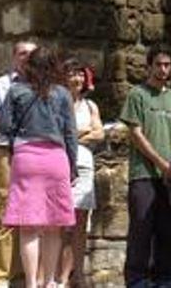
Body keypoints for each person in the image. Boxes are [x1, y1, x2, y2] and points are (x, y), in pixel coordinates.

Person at [0, 45, 79, 288]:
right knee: (54, 225)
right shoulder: (63, 94)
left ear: (30, 65)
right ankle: (51, 281)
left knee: (28, 226)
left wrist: (15, 147)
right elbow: (70, 134)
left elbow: (4, 126)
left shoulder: (16, 91)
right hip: (56, 158)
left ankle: (32, 283)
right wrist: (72, 166)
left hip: (26, 157)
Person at [120, 43, 171, 288]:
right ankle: (136, 278)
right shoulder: (137, 94)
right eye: (158, 64)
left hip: (169, 176)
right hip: (143, 174)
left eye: (167, 65)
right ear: (149, 66)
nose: (163, 69)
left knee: (167, 229)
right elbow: (136, 134)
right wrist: (161, 162)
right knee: (141, 228)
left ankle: (164, 278)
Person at [0, 39, 37, 288]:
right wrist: (11, 113)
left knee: (36, 216)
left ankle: (29, 276)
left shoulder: (43, 86)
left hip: (37, 154)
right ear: (14, 57)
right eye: (22, 53)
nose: (27, 58)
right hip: (8, 152)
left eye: (31, 54)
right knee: (3, 214)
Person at [59, 59, 104, 288]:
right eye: (71, 74)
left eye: (79, 74)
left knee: (80, 221)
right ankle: (62, 276)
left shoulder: (90, 106)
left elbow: (99, 134)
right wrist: (84, 132)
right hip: (62, 165)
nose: (76, 79)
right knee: (62, 222)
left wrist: (77, 134)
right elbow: (57, 134)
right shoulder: (57, 102)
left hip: (85, 164)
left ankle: (77, 275)